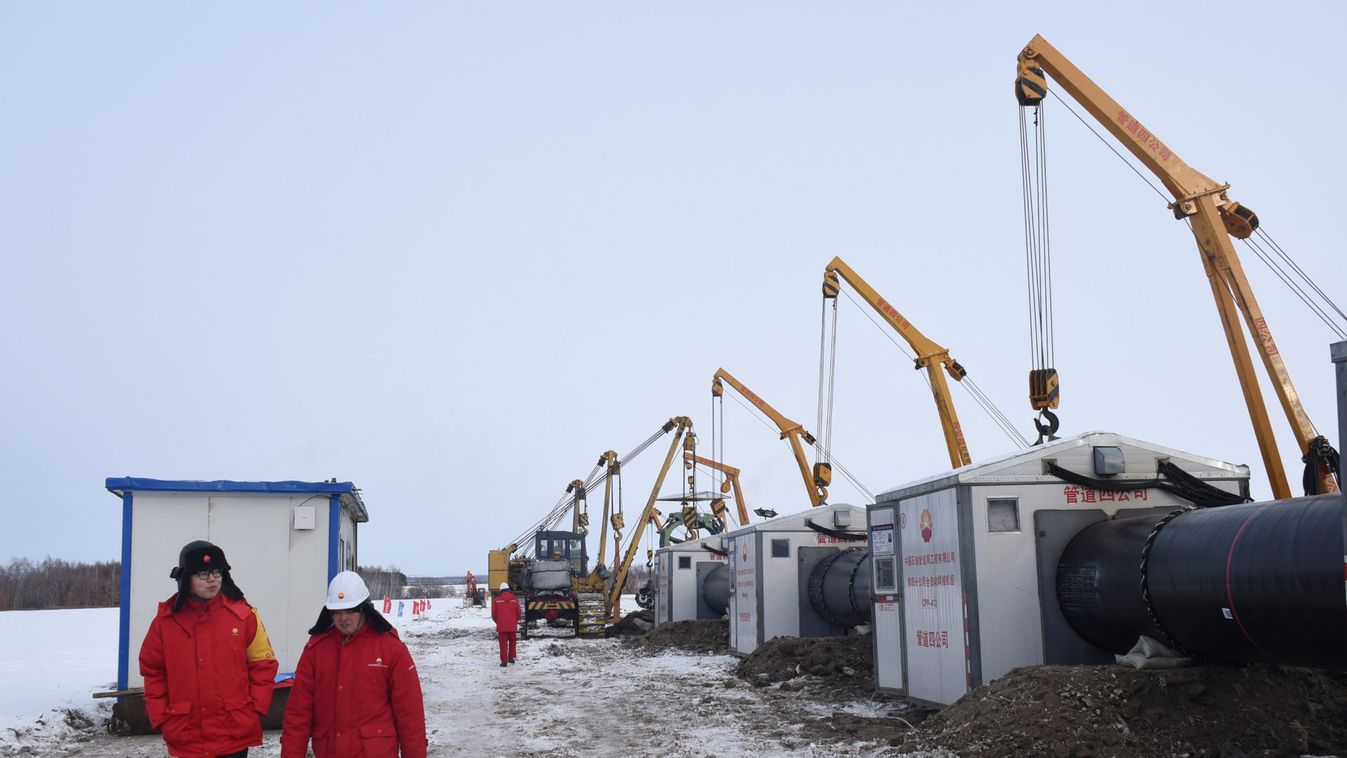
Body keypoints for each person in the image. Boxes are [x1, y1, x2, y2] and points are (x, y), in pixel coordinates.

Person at [139, 540, 278, 758]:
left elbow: (263, 665)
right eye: (203, 574)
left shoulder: (244, 617)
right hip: (187, 734)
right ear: (186, 580)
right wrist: (161, 716)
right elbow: (153, 671)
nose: (212, 579)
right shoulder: (165, 623)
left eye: (216, 572)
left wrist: (255, 708)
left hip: (233, 733)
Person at [281, 571, 427, 758]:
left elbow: (410, 715)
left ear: (364, 609)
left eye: (350, 610)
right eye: (337, 612)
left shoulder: (391, 649)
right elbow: (297, 713)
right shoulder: (316, 650)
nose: (343, 618)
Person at [491, 582, 522, 667]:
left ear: (500, 590)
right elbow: (519, 612)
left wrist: (498, 621)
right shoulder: (514, 599)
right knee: (512, 641)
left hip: (502, 626)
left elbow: (493, 614)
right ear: (508, 589)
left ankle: (504, 662)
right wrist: (515, 620)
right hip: (512, 625)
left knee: (503, 643)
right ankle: (511, 658)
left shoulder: (496, 600)